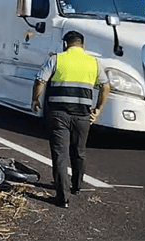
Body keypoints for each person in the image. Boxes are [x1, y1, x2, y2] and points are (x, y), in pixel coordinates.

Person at [31, 30, 110, 208]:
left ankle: (62, 197)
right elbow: (106, 86)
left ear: (65, 44)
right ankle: (77, 186)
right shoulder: (94, 62)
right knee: (79, 151)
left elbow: (40, 81)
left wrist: (35, 99)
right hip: (83, 115)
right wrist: (98, 109)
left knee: (60, 155)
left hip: (59, 115)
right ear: (83, 45)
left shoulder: (57, 59)